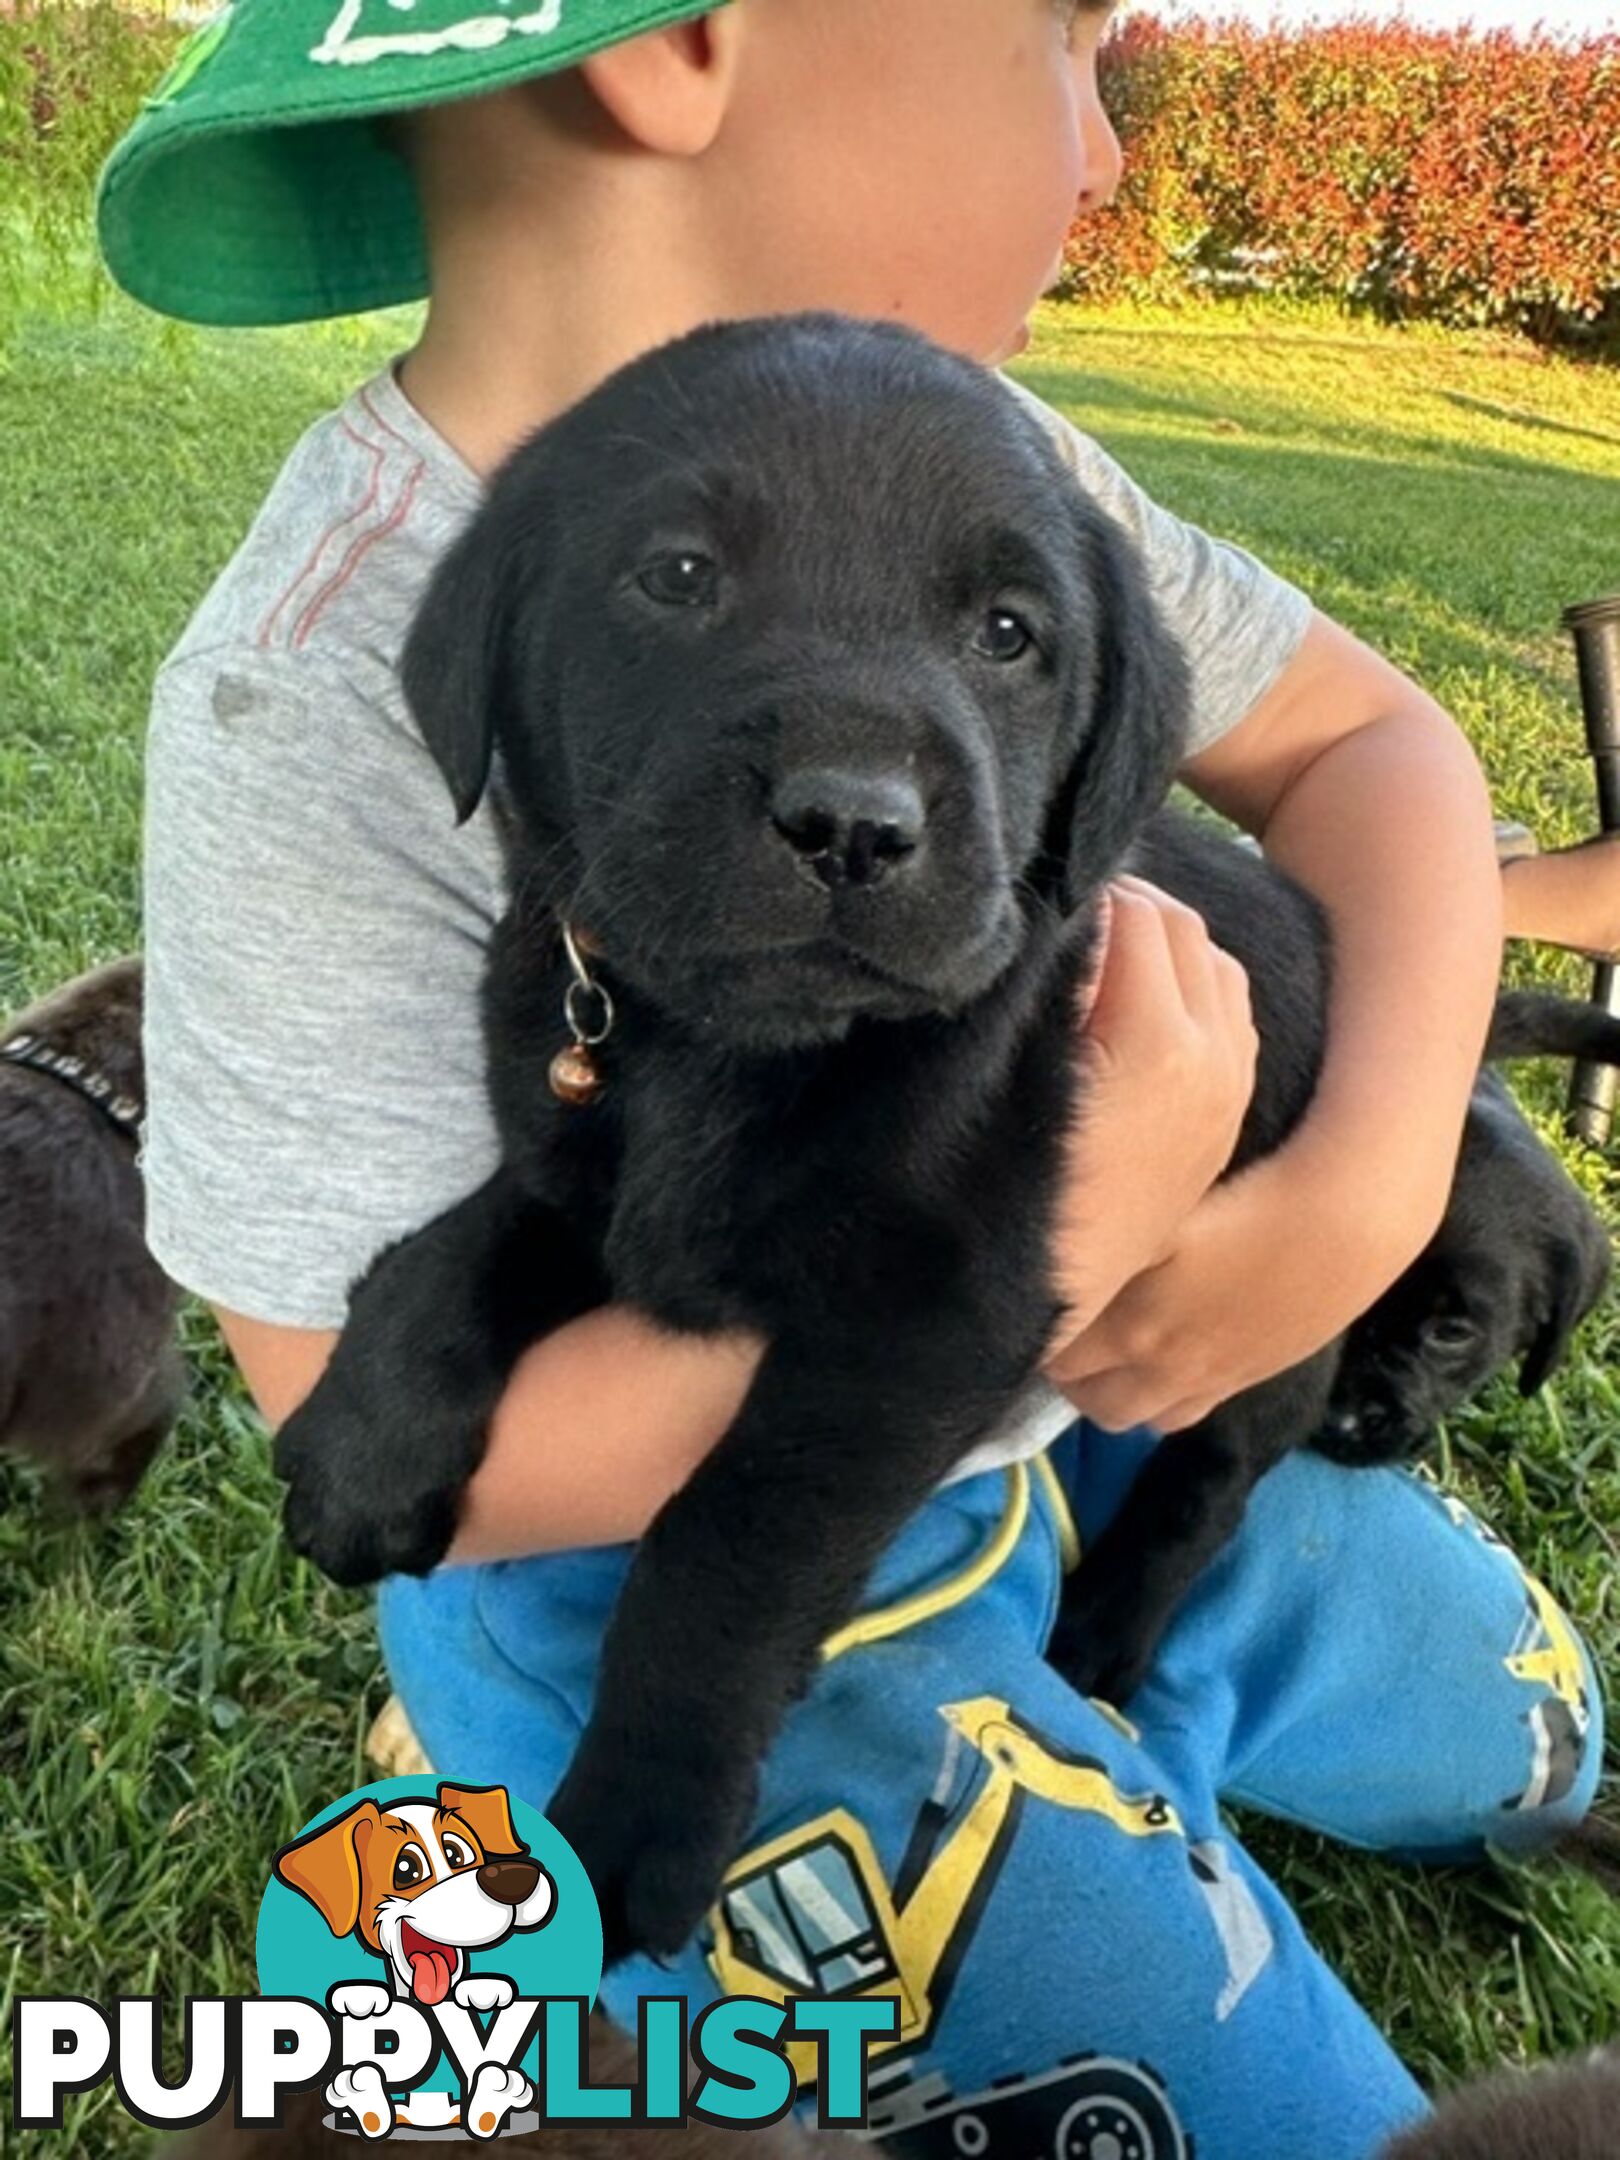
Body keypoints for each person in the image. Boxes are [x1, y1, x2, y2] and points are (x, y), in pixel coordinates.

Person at [99, 3, 1604, 2152]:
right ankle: (477, 1774)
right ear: (684, 46)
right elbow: (420, 1458)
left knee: (1488, 1690)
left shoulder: (993, 459)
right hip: (669, 1554)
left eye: (1003, 640)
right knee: (1175, 2074)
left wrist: (1363, 1183)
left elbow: (1388, 752)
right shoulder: (307, 689)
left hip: (1099, 1396)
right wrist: (1061, 1237)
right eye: (1061, 46)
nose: (1100, 150)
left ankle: (1441, 1737)